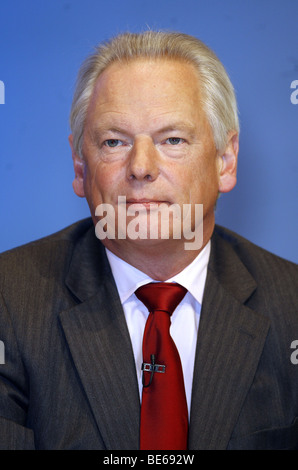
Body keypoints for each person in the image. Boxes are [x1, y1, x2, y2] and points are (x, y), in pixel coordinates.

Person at [0, 31, 297, 451]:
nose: (141, 167)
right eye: (114, 142)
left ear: (225, 161)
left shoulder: (292, 307)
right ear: (81, 166)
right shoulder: (8, 302)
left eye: (172, 139)